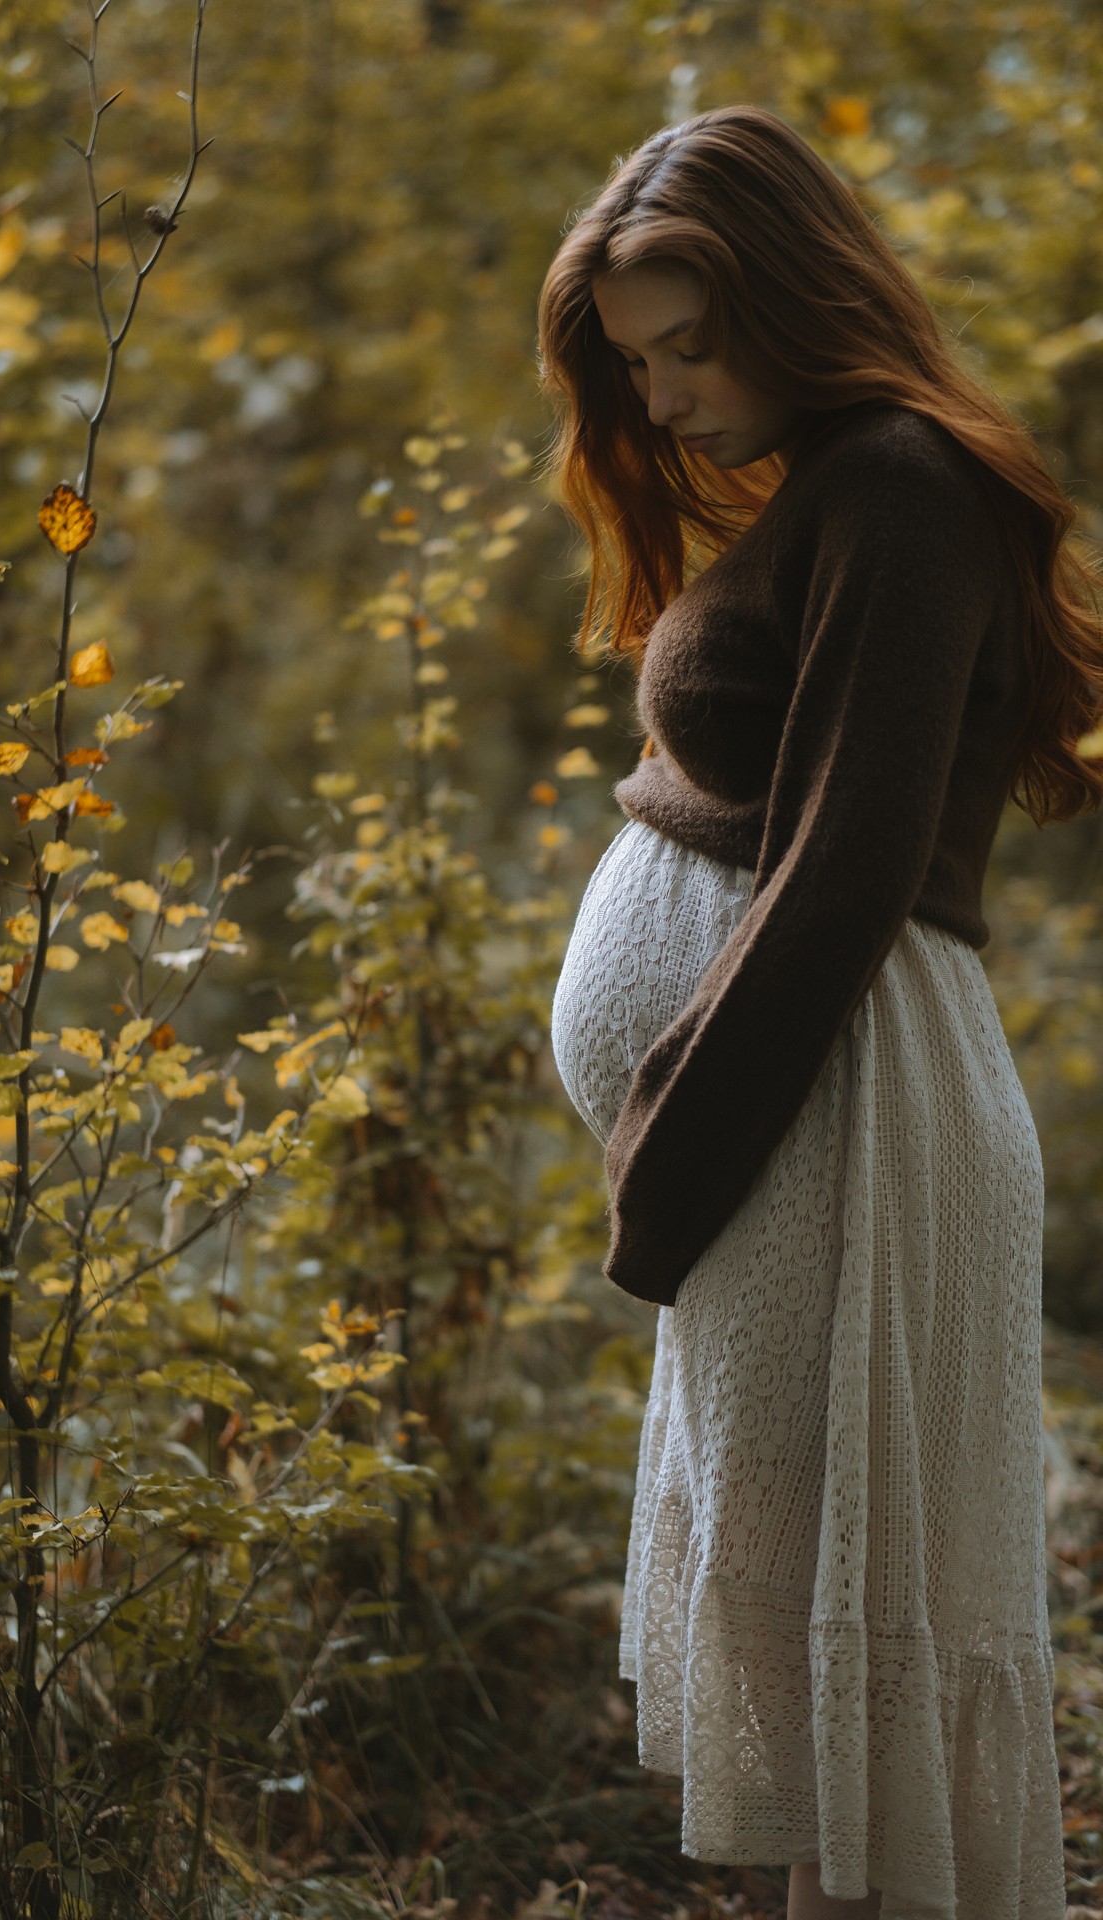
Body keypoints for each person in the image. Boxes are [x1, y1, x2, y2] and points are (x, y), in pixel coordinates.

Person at [537, 105, 1102, 1920]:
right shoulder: (846, 486)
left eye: (694, 341)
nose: (671, 393)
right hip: (803, 1126)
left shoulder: (898, 488)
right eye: (639, 362)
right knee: (807, 1649)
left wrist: (668, 1162)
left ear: (795, 287)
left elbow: (848, 873)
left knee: (836, 1659)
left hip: (833, 1114)